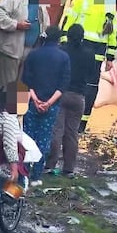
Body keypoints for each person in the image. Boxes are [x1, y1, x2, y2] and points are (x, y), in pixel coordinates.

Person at [61, 0, 117, 133]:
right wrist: (110, 57)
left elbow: (68, 22)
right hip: (95, 54)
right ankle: (81, 122)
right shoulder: (109, 5)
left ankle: (67, 118)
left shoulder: (82, 0)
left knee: (71, 82)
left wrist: (64, 42)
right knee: (89, 87)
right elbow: (114, 33)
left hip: (77, 50)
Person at [46, 24, 100, 177]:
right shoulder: (89, 54)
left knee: (57, 130)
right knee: (72, 133)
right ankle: (69, 169)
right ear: (82, 38)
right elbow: (91, 73)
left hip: (60, 94)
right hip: (79, 97)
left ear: (67, 36)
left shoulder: (61, 51)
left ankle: (50, 165)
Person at [21, 26, 71, 187]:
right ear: (59, 39)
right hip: (52, 105)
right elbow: (63, 84)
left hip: (32, 102)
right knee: (44, 139)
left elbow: (26, 80)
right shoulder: (64, 57)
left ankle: (23, 174)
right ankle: (36, 176)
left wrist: (35, 99)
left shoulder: (33, 54)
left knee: (27, 137)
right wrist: (49, 102)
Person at [0, 0, 51, 93]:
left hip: (30, 50)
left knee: (21, 88)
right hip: (10, 49)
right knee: (7, 86)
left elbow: (45, 22)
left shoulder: (40, 1)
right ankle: (2, 105)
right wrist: (16, 25)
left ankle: (16, 106)